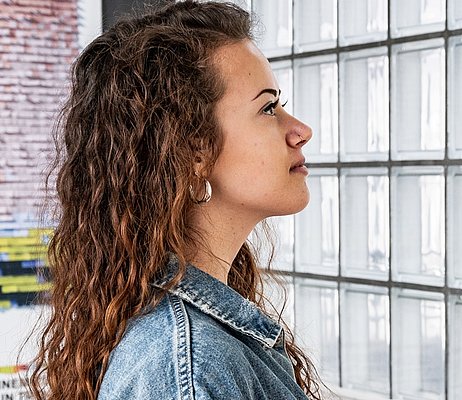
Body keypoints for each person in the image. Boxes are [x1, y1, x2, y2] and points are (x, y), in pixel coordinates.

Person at [28, 1, 323, 398]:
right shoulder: (190, 366)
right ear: (194, 153)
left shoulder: (195, 348)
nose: (301, 130)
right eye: (268, 107)